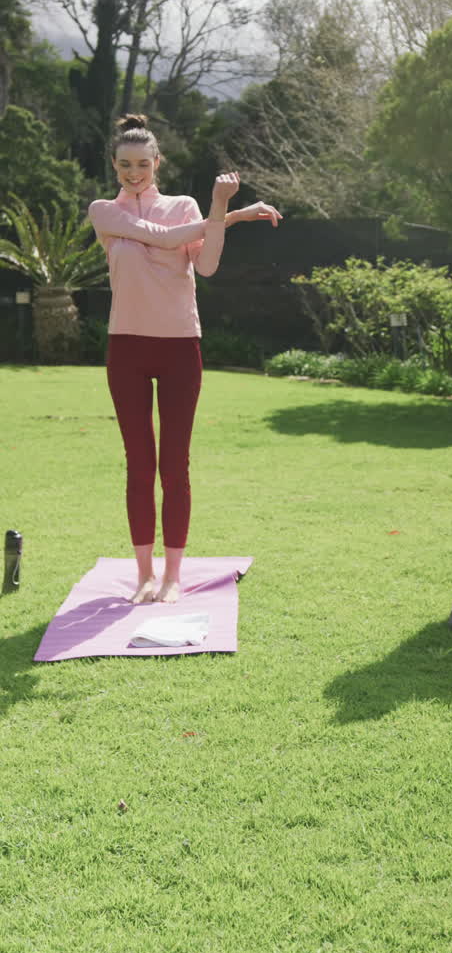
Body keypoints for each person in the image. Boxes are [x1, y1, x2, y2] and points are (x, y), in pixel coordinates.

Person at [89, 113, 282, 605]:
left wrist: (218, 207)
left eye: (143, 164)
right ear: (114, 165)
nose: (134, 173)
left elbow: (208, 265)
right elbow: (161, 237)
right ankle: (143, 575)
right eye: (125, 165)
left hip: (179, 346)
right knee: (139, 465)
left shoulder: (184, 206)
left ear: (157, 162)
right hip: (126, 347)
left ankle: (173, 575)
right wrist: (234, 215)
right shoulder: (104, 211)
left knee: (175, 466)